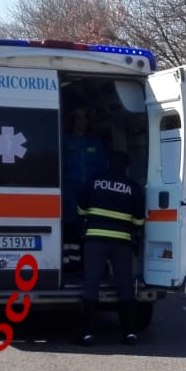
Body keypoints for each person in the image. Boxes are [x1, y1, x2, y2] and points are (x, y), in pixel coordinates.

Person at [76, 150, 145, 344]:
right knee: (124, 285)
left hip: (95, 240)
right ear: (127, 168)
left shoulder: (94, 181)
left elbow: (81, 209)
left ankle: (86, 334)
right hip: (121, 242)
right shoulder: (133, 187)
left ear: (108, 163)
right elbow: (139, 220)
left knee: (91, 284)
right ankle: (130, 333)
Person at [61, 105, 108, 274]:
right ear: (72, 120)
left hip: (92, 193)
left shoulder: (95, 142)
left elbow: (103, 168)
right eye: (78, 118)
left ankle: (90, 266)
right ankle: (69, 266)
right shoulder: (65, 141)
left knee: (90, 230)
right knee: (70, 230)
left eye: (84, 118)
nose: (81, 121)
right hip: (69, 192)